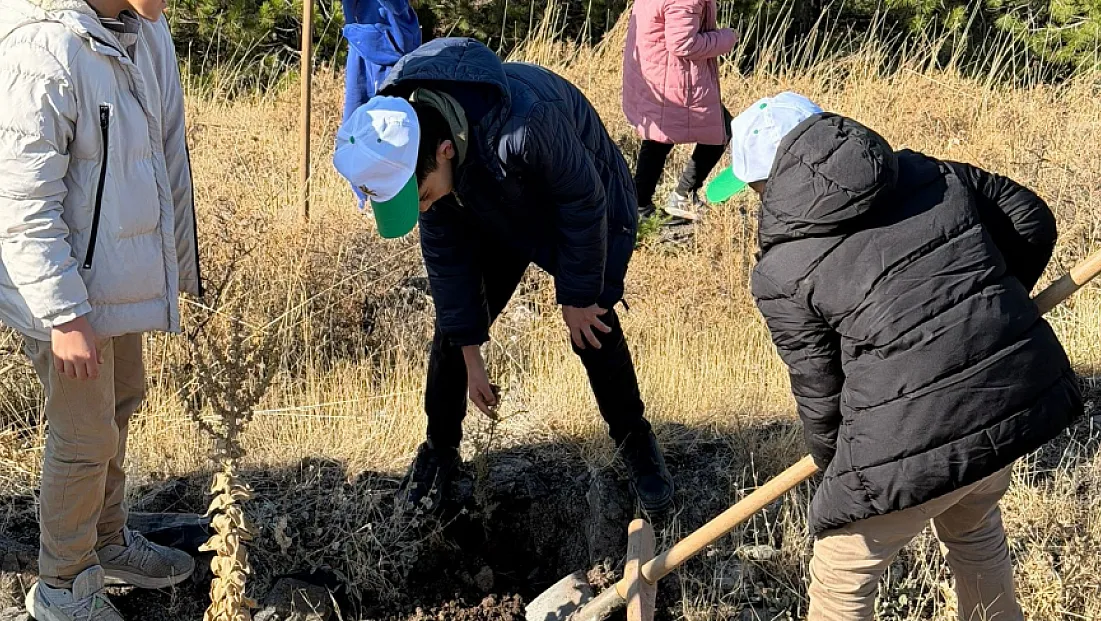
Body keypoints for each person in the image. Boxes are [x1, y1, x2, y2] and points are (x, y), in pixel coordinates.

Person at [707, 92, 1082, 621]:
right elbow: (1030, 219)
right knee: (974, 529)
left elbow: (819, 389)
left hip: (914, 424)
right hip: (1013, 394)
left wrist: (832, 464)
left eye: (755, 187)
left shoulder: (781, 269)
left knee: (840, 576)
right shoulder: (928, 173)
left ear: (772, 181)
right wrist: (989, 309)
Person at [332, 37, 675, 514]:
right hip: (488, 203)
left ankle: (637, 443)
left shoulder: (525, 124)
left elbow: (583, 204)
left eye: (424, 196)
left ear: (445, 150)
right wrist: (472, 354)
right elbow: (450, 271)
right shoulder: (418, 156)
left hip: (580, 204)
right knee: (453, 332)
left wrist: (575, 296)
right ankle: (440, 450)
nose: (424, 207)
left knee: (592, 323)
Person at [0, 1, 202, 620]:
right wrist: (64, 315)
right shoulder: (45, 49)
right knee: (84, 435)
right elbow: (21, 200)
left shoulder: (139, 32)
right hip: (66, 298)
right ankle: (62, 586)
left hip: (111, 285)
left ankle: (107, 541)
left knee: (120, 403)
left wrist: (178, 273)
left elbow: (160, 159)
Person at [622, 0, 737, 221]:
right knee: (721, 130)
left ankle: (639, 205)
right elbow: (684, 44)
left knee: (659, 139)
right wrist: (727, 38)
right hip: (675, 78)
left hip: (657, 73)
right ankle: (681, 196)